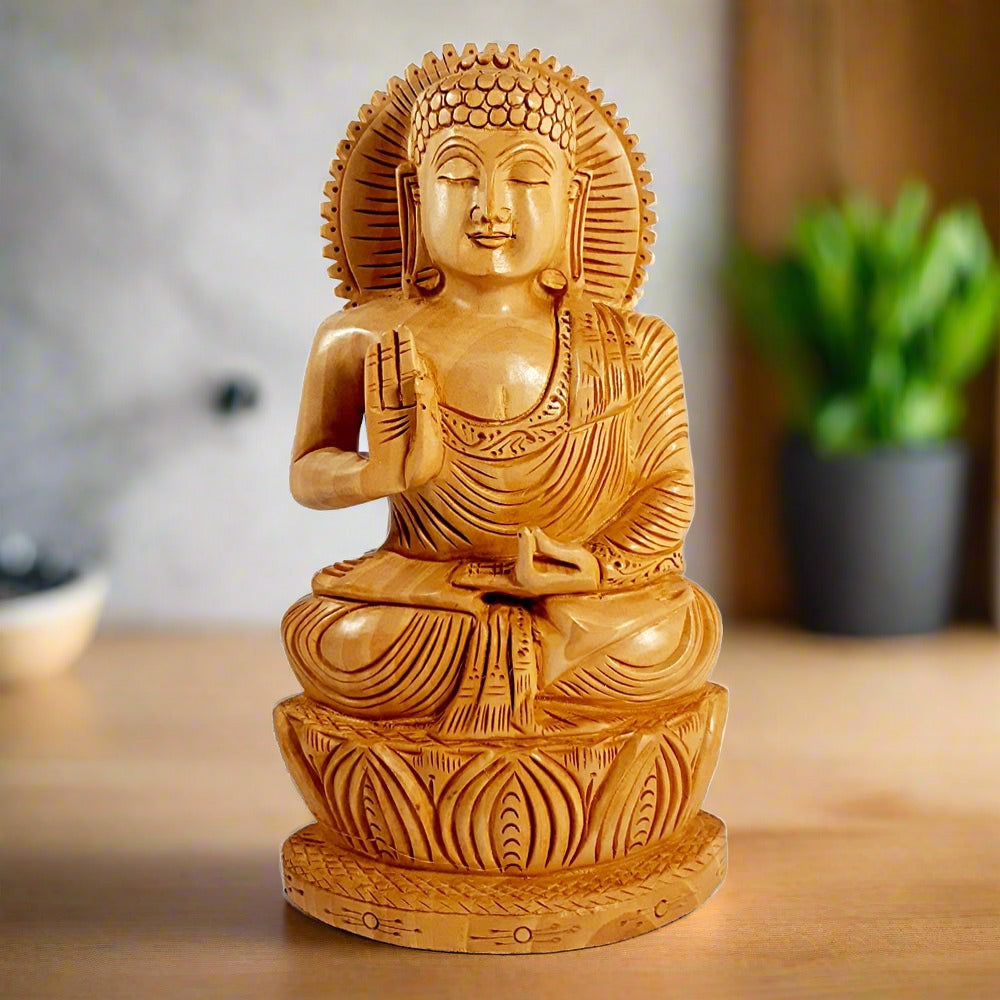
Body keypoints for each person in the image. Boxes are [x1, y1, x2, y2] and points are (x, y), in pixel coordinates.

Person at [282, 53, 721, 738]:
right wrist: (378, 471)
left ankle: (530, 669)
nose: (492, 206)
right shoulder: (360, 336)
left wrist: (593, 565)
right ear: (412, 195)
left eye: (525, 176)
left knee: (675, 626)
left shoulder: (636, 343)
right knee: (339, 637)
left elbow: (668, 491)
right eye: (459, 174)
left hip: (580, 604)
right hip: (429, 598)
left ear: (571, 200)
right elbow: (310, 470)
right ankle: (522, 678)